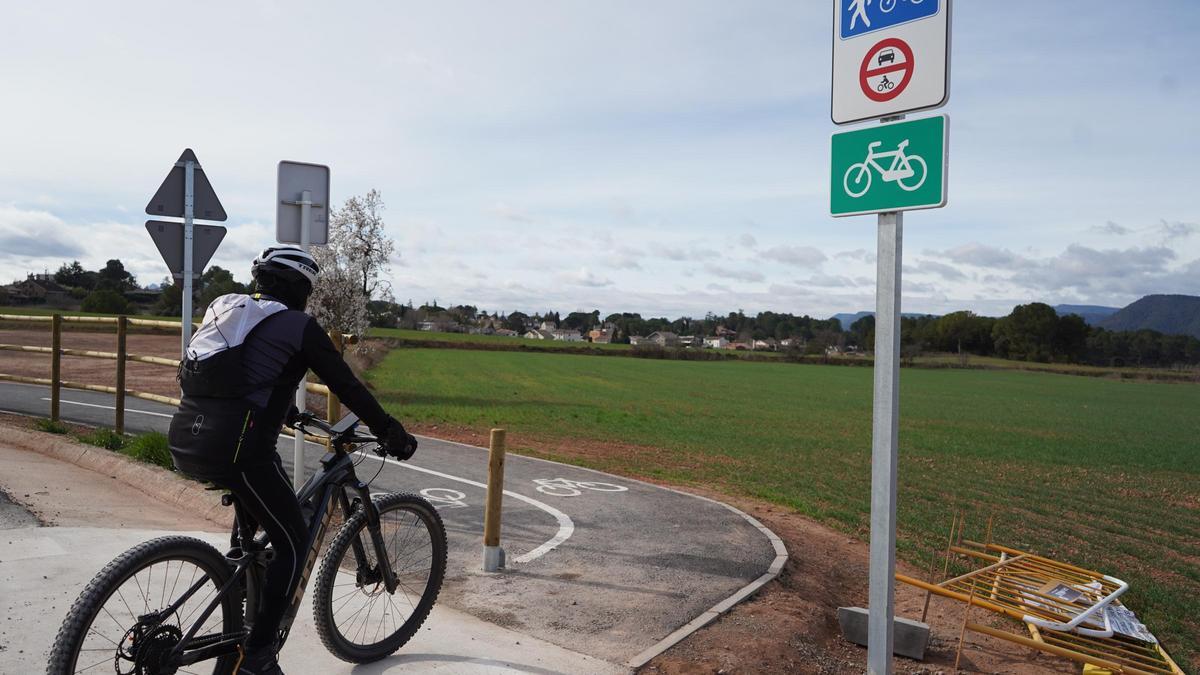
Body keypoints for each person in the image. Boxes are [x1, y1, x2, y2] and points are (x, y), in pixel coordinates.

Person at [167, 245, 417, 675]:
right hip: (241, 450)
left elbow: (240, 376)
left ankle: (240, 605)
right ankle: (258, 655)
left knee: (263, 515)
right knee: (293, 542)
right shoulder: (297, 325)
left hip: (188, 438)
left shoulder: (231, 312)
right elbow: (347, 386)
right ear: (300, 286)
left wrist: (286, 411)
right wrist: (389, 430)